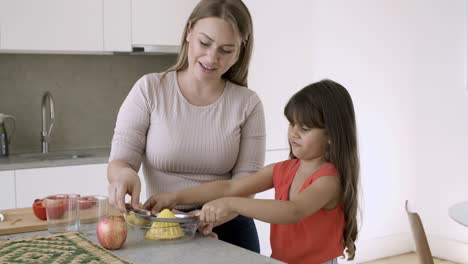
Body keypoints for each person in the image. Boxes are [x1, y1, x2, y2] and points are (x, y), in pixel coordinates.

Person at [107, 0, 265, 253]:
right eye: (205, 43)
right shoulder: (150, 90)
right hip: (162, 229)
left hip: (228, 231)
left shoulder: (248, 104)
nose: (212, 58)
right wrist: (124, 176)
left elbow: (247, 187)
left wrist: (205, 218)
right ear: (189, 31)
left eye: (226, 50)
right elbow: (120, 162)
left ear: (240, 51)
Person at [144, 79, 360, 264]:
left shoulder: (329, 181)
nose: (294, 133)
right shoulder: (283, 169)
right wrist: (176, 197)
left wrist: (231, 203)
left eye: (304, 128)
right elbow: (231, 186)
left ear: (332, 135)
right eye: (292, 124)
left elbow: (293, 211)